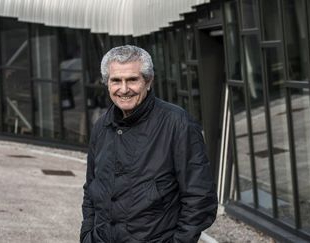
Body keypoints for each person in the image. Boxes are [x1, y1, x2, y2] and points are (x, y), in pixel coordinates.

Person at [80, 45, 217, 243]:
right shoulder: (101, 126)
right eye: (116, 80)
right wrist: (86, 236)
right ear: (107, 83)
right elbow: (91, 189)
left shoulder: (178, 124)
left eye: (132, 80)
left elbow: (200, 199)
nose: (124, 89)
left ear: (148, 81)